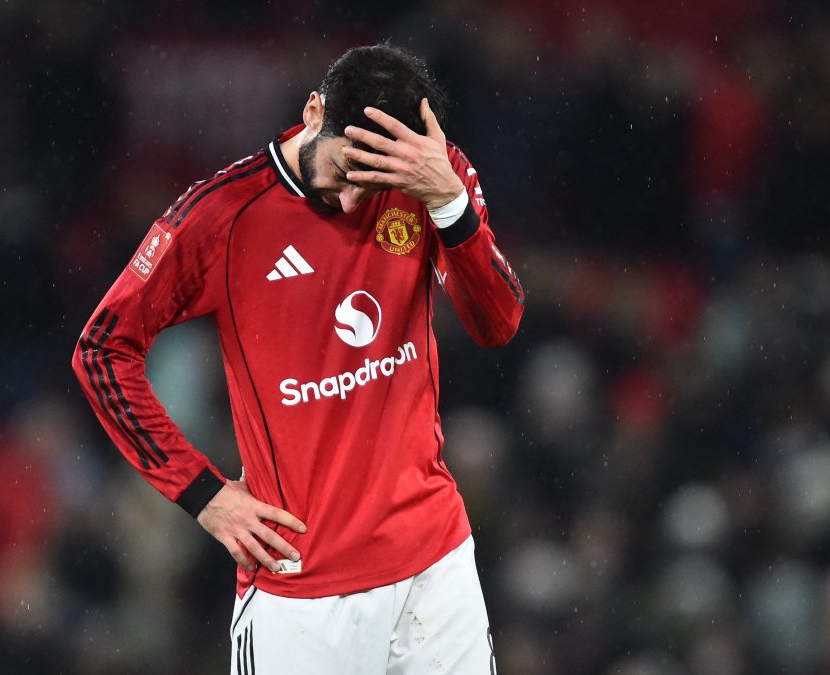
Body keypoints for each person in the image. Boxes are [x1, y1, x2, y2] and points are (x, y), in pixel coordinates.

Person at [72, 43, 524, 674]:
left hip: (435, 565)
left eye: (375, 184)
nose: (351, 202)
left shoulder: (429, 174)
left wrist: (450, 205)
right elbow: (101, 350)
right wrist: (202, 493)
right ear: (315, 113)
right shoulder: (222, 216)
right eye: (344, 171)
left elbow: (497, 324)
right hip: (302, 589)